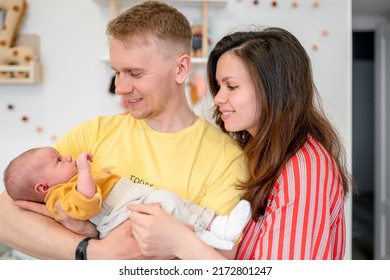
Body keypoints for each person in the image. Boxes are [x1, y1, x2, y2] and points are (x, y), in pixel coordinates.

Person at [0, 1, 248, 259]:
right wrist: (95, 250)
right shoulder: (93, 133)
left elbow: (217, 261)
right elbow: (6, 216)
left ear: (181, 69)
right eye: (117, 72)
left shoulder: (226, 159)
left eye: (134, 73)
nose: (120, 87)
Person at [126, 26, 354, 260]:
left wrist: (179, 241)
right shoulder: (258, 154)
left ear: (274, 89)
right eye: (219, 86)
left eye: (232, 86)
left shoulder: (304, 170)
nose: (218, 98)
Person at [3, 146, 251, 250]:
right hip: (121, 216)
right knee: (167, 204)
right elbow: (87, 203)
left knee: (174, 202)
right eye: (59, 160)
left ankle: (215, 226)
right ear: (43, 187)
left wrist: (101, 176)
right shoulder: (60, 196)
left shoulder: (66, 182)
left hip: (130, 202)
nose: (67, 158)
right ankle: (207, 232)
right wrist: (87, 172)